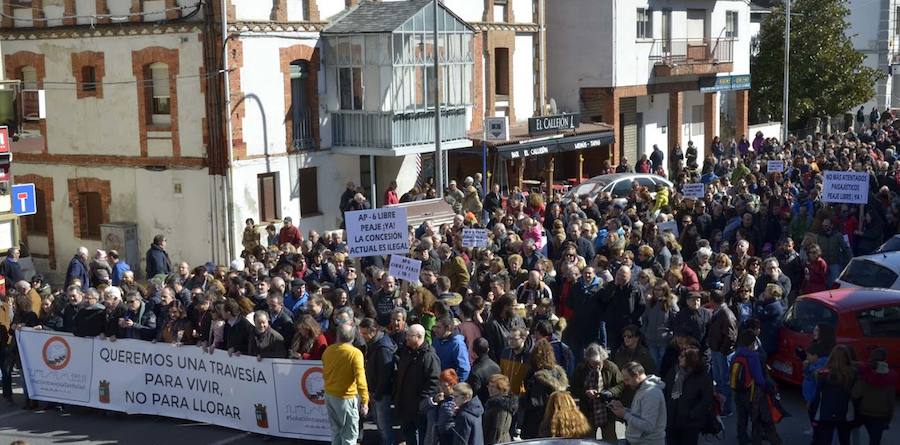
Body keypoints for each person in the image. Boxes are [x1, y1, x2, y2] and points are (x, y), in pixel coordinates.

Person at [730, 329, 782, 445]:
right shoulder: (753, 356)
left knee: (741, 417)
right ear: (752, 343)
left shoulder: (736, 355)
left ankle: (742, 438)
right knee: (756, 419)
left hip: (738, 391)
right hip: (751, 393)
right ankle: (756, 440)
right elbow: (759, 379)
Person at [322, 323, 369, 445]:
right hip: (346, 398)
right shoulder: (355, 353)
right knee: (349, 435)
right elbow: (361, 379)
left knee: (336, 432)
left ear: (337, 336)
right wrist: (365, 400)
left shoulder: (328, 351)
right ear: (353, 337)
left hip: (330, 395)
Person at [394, 324, 441, 445]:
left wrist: (422, 401)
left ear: (419, 337)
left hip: (420, 408)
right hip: (405, 405)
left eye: (410, 336)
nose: (406, 338)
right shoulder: (406, 351)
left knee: (422, 436)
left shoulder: (429, 356)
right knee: (408, 435)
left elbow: (434, 381)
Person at [572, 343, 624, 442]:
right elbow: (574, 388)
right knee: (588, 440)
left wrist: (610, 392)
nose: (596, 366)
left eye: (598, 363)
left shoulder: (611, 367)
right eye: (593, 363)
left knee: (610, 439)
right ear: (588, 360)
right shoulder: (581, 369)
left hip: (607, 410)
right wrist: (585, 393)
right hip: (588, 411)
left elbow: (620, 385)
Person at [662, 348, 714, 445]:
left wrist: (691, 414)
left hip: (690, 424)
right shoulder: (674, 371)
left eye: (682, 357)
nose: (679, 358)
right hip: (671, 421)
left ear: (691, 359)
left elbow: (706, 400)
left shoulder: (702, 377)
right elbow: (666, 390)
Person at [359, 318, 397, 445]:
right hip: (375, 391)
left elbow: (385, 374)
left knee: (384, 424)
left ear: (373, 331)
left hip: (381, 393)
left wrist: (378, 393)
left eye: (365, 333)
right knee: (379, 423)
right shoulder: (374, 343)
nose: (362, 336)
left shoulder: (383, 348)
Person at [520, 339, 568, 439]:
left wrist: (522, 399)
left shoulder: (537, 377)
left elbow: (534, 402)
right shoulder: (558, 374)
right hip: (555, 419)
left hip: (536, 423)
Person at [609, 362, 666, 445]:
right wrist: (623, 409)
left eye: (627, 379)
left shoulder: (651, 393)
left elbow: (648, 426)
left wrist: (625, 414)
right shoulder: (641, 388)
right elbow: (639, 414)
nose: (626, 383)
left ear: (636, 375)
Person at [809, 345, 856, 445]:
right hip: (845, 412)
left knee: (825, 440)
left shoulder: (823, 374)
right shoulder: (852, 374)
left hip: (826, 412)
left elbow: (817, 397)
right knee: (845, 440)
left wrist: (814, 415)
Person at [851, 347, 897, 445]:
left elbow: (855, 394)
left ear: (871, 358)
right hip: (880, 415)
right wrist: (889, 417)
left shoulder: (865, 374)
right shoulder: (891, 377)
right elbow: (891, 400)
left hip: (863, 412)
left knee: (848, 430)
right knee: (875, 441)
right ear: (885, 360)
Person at [707, 289, 737, 416]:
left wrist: (723, 350)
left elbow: (731, 336)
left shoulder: (725, 314)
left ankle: (726, 408)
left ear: (712, 300)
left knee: (724, 382)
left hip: (722, 353)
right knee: (719, 380)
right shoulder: (719, 311)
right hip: (717, 351)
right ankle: (720, 406)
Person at [432, 315, 471, 381]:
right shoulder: (437, 340)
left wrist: (455, 384)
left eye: (438, 327)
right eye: (435, 327)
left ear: (448, 328)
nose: (435, 330)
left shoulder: (457, 344)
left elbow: (464, 369)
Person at [483, 374, 517, 445]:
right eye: (489, 386)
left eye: (493, 387)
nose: (489, 389)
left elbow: (496, 432)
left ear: (501, 389)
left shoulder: (499, 408)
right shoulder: (496, 404)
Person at [467, 338, 501, 404]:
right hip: (495, 403)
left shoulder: (475, 371)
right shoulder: (497, 367)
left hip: (481, 405)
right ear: (488, 349)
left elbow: (473, 393)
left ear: (473, 351)